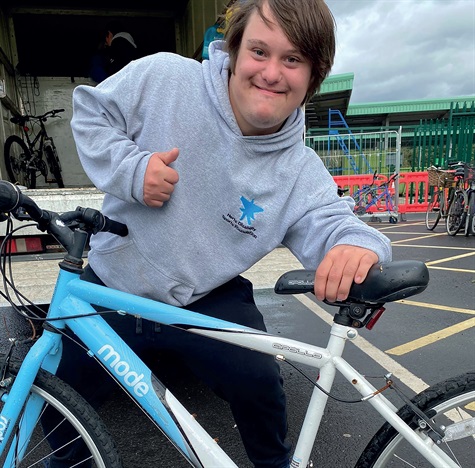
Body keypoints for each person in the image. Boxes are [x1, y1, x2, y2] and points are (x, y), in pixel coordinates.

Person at [52, 0, 392, 466]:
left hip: (205, 296)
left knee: (260, 386)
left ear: (312, 77)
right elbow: (91, 112)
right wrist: (131, 170)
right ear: (233, 51)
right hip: (116, 282)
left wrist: (360, 245)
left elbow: (335, 222)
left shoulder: (299, 171)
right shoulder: (164, 78)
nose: (272, 73)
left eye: (292, 59)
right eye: (259, 51)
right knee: (55, 393)